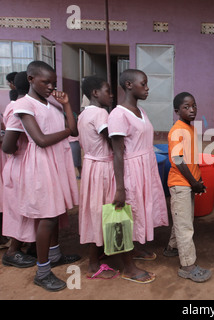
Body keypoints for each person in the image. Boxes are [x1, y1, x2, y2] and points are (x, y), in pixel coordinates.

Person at [4, 61, 80, 291]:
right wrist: (67, 131)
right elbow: (41, 140)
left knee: (56, 213)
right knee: (46, 217)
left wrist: (66, 104)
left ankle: (54, 255)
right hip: (41, 165)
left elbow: (75, 130)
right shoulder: (24, 105)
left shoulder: (51, 105)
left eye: (53, 82)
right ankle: (42, 271)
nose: (50, 86)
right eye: (45, 82)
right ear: (30, 79)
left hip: (56, 163)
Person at [108, 69, 169, 284]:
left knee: (139, 212)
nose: (147, 88)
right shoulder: (118, 114)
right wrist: (120, 187)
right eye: (143, 84)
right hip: (131, 171)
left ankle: (133, 249)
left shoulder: (141, 111)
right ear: (128, 85)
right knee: (124, 216)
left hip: (146, 168)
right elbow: (117, 152)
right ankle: (127, 268)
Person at [163, 92, 211, 283]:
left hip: (188, 183)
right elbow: (178, 160)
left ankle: (172, 248)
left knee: (183, 218)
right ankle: (188, 266)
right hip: (181, 183)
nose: (192, 110)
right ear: (177, 111)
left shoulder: (189, 128)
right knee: (185, 225)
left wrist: (198, 182)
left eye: (194, 105)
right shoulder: (177, 130)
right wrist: (193, 182)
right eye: (186, 107)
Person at [77, 76, 119, 280]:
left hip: (91, 166)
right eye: (107, 90)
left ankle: (102, 251)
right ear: (95, 93)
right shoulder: (101, 113)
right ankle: (93, 264)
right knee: (105, 211)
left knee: (95, 209)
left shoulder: (84, 114)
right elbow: (112, 141)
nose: (111, 95)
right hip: (103, 167)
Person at [1, 71, 37, 268]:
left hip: (26, 161)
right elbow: (8, 146)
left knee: (29, 207)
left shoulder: (27, 106)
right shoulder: (18, 107)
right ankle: (12, 251)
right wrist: (22, 151)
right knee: (20, 209)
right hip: (19, 162)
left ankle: (30, 245)